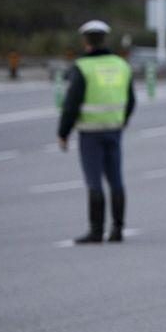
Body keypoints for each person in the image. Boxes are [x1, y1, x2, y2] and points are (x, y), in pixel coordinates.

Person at [58, 20, 135, 244]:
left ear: (85, 41)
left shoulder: (82, 67)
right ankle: (118, 229)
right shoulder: (121, 65)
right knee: (116, 179)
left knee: (94, 181)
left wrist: (63, 133)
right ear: (105, 39)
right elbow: (131, 100)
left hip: (90, 133)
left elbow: (71, 103)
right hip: (114, 130)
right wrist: (122, 120)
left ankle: (96, 230)